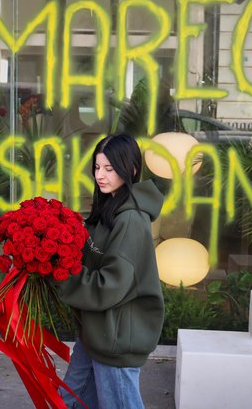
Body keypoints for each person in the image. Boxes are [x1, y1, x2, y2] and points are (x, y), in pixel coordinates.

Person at [54, 133, 165, 409]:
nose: (100, 175)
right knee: (69, 402)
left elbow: (109, 285)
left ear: (132, 170)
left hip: (115, 339)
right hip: (95, 332)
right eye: (97, 167)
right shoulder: (109, 207)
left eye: (109, 169)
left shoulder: (130, 219)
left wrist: (60, 274)